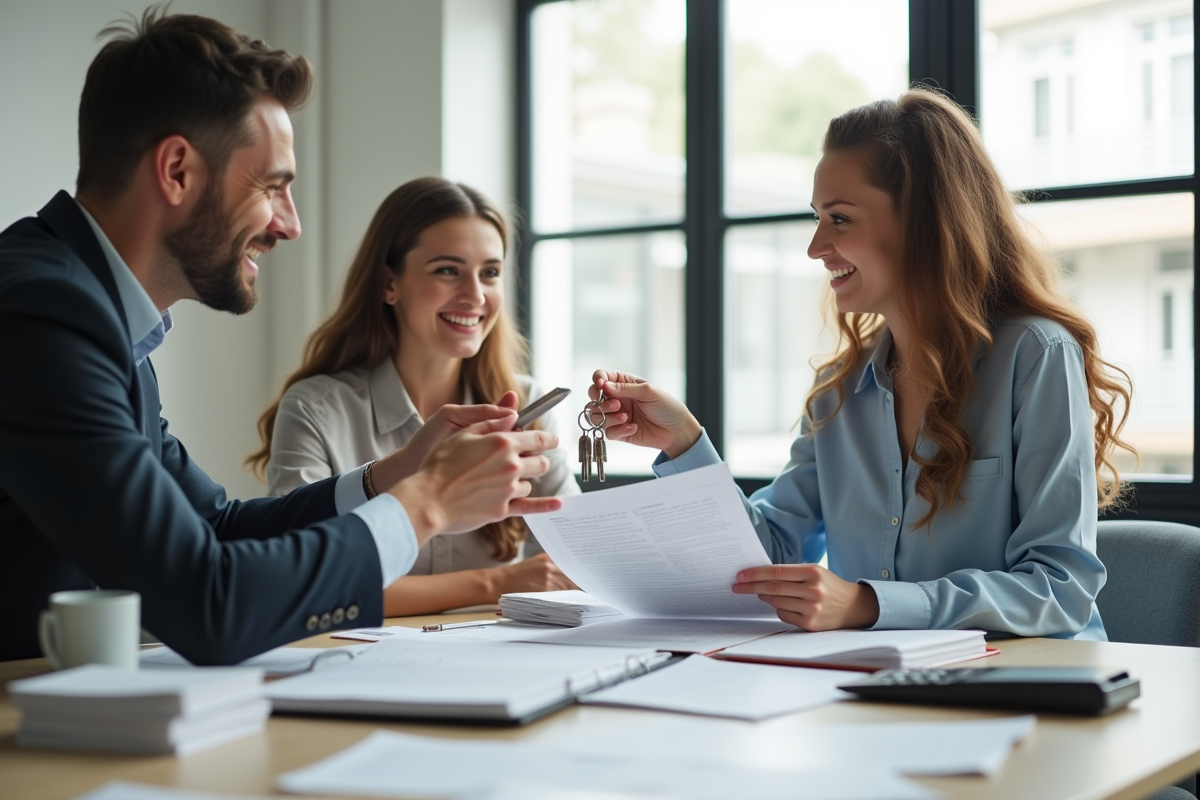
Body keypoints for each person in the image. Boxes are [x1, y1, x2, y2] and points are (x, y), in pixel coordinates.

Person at [0, 9, 561, 665]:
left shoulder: (95, 313)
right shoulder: (45, 314)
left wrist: (395, 476)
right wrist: (425, 507)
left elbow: (217, 528)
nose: (289, 225)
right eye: (273, 187)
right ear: (177, 170)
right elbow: (210, 602)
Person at [588, 88, 1134, 640]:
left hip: (1034, 689)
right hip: (878, 691)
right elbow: (767, 551)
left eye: (840, 219)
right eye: (818, 219)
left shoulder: (1036, 355)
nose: (815, 246)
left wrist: (870, 604)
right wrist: (682, 440)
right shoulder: (839, 389)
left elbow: (1060, 589)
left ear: (924, 223)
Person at [247, 177, 578, 615]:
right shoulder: (316, 409)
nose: (475, 295)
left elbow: (579, 558)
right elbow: (303, 578)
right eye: (447, 270)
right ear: (389, 283)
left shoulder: (529, 403)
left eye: (490, 273)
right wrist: (499, 582)